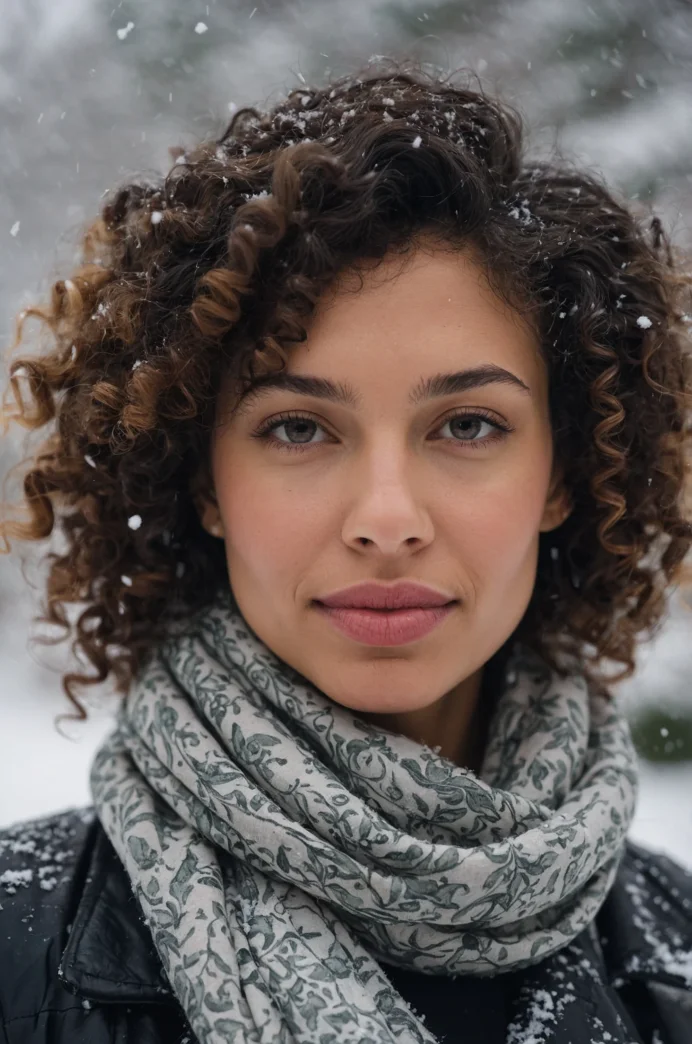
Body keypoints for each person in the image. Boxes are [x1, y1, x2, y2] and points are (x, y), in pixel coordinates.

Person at [1, 58, 691, 1044]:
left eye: (464, 426)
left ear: (564, 474)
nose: (384, 516)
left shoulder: (676, 958)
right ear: (202, 482)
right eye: (297, 429)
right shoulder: (17, 954)